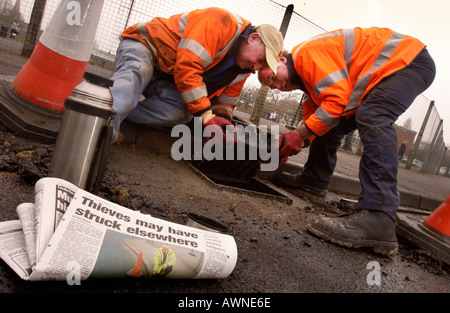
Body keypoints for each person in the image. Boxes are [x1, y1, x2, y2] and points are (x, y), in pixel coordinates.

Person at [258, 27, 436, 255]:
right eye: (273, 87)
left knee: (374, 115)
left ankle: (379, 216)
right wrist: (297, 142)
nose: (278, 86)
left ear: (281, 59)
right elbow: (316, 120)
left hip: (406, 60)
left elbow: (336, 102)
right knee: (327, 124)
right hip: (394, 66)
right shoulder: (310, 85)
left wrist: (300, 134)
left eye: (273, 77)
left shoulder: (306, 56)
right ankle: (314, 180)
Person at [110, 7, 283, 143]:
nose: (256, 67)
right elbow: (187, 67)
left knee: (182, 114)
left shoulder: (243, 69)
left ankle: (120, 117)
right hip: (147, 47)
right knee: (138, 71)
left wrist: (221, 121)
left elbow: (225, 102)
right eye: (260, 59)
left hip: (168, 77)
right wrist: (206, 116)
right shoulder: (222, 22)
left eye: (262, 65)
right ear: (253, 38)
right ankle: (103, 128)